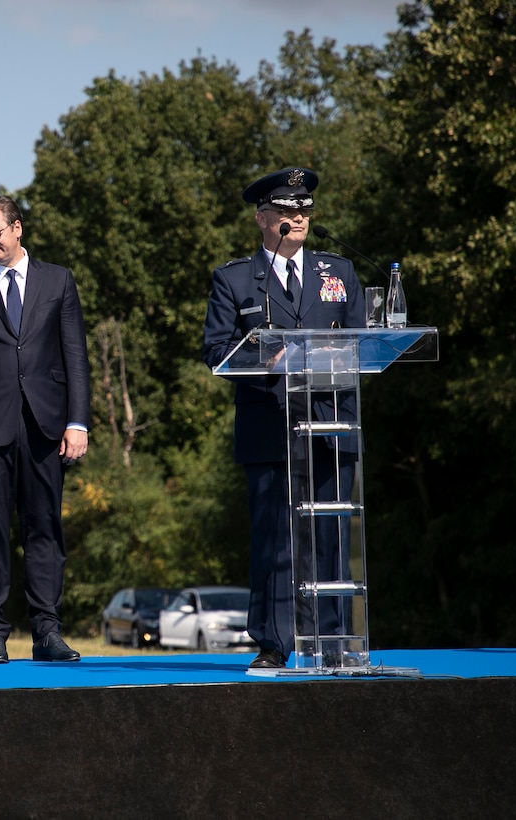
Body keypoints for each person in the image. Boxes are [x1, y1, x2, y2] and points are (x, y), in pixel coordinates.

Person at [202, 168, 365, 669]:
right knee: (274, 540)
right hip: (269, 424)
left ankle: (334, 642)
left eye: (304, 210)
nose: (299, 217)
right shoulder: (234, 278)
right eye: (288, 211)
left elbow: (361, 340)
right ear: (263, 219)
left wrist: (333, 356)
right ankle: (275, 642)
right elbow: (214, 348)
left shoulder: (339, 272)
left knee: (331, 534)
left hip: (331, 424)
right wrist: (262, 362)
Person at [0, 195, 90, 664]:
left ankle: (47, 631)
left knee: (44, 526)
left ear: (17, 228)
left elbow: (75, 357)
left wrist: (78, 421)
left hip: (47, 426)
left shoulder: (58, 280)